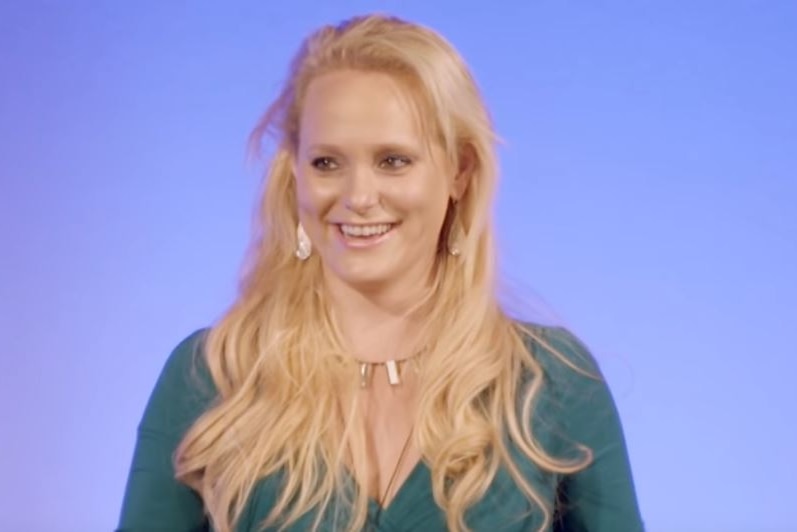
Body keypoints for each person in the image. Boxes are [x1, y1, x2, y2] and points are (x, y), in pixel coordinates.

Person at [117, 13, 644, 532]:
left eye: (393, 160)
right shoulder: (212, 380)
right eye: (327, 163)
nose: (359, 197)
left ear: (459, 171)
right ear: (294, 172)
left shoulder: (549, 385)